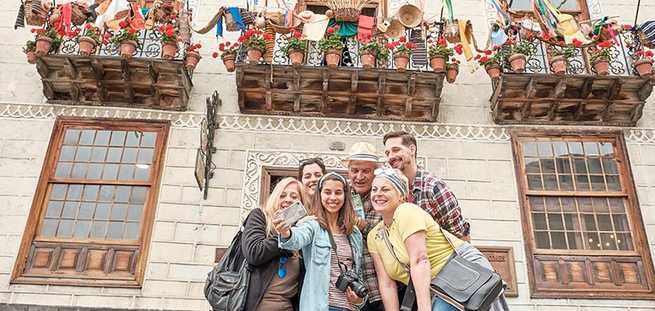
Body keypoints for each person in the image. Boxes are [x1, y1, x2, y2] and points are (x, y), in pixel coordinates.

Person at [367, 169, 507, 311]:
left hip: (459, 273)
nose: (378, 194)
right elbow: (387, 284)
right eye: (374, 189)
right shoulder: (375, 236)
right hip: (437, 287)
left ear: (401, 196)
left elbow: (420, 260)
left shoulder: (406, 211)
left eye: (385, 189)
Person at [275, 172, 367, 311]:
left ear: (345, 196)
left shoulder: (354, 233)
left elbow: (358, 274)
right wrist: (285, 232)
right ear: (320, 195)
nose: (333, 197)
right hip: (319, 306)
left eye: (338, 193)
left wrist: (359, 300)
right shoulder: (312, 225)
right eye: (327, 192)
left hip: (349, 308)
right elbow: (295, 240)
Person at [383, 131, 470, 240]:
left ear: (412, 150)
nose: (391, 156)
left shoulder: (434, 187)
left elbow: (460, 235)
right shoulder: (390, 189)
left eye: (396, 150)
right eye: (387, 153)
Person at [242, 177, 310, 311]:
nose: (288, 199)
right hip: (254, 306)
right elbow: (253, 253)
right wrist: (284, 236)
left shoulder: (303, 232)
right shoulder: (260, 216)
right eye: (282, 195)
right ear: (275, 198)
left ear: (301, 203)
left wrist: (293, 234)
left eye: (294, 196)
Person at [342, 142, 385, 311]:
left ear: (375, 173)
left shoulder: (383, 193)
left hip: (380, 286)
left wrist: (358, 224)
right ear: (348, 172)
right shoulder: (341, 195)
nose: (359, 176)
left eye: (366, 171)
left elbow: (383, 232)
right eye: (355, 170)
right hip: (347, 288)